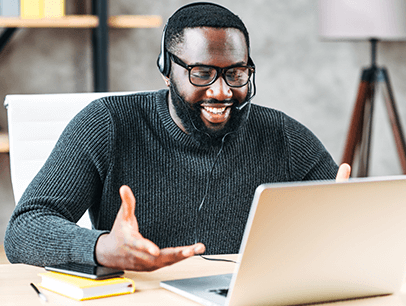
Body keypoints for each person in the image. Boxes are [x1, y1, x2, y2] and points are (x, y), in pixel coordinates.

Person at [4, 2, 350, 272]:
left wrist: (350, 213)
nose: (221, 91)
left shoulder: (282, 135)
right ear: (168, 71)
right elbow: (24, 229)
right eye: (202, 73)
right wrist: (102, 247)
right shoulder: (107, 123)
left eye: (236, 73)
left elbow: (348, 227)